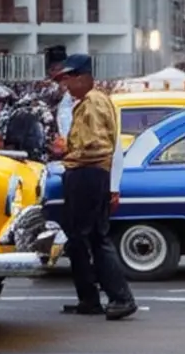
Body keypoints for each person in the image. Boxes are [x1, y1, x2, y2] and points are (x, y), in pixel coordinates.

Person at [50, 54, 137, 321]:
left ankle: (120, 298)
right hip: (90, 174)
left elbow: (95, 146)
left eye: (68, 78)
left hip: (87, 174)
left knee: (90, 239)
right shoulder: (92, 101)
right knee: (84, 239)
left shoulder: (92, 103)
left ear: (83, 77)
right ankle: (89, 299)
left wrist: (65, 150)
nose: (65, 85)